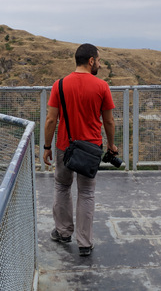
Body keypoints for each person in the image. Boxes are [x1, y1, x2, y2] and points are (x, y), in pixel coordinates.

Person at [43, 43, 118, 257]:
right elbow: (109, 121)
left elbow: (50, 120)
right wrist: (111, 145)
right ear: (91, 60)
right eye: (99, 60)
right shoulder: (102, 86)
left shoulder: (59, 85)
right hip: (91, 149)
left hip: (65, 147)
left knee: (62, 186)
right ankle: (84, 243)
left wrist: (47, 146)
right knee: (86, 193)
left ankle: (63, 232)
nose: (100, 64)